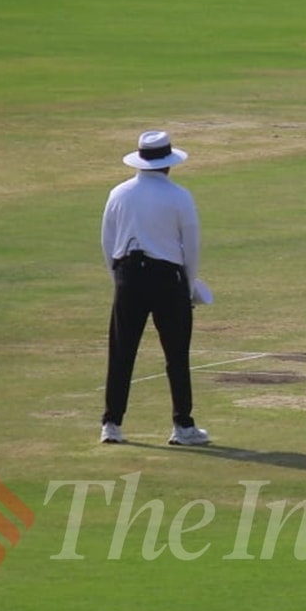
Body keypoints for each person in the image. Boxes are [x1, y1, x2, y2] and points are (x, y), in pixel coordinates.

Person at [99, 130, 211, 446]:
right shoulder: (179, 196)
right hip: (167, 279)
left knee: (121, 352)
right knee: (177, 354)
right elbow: (191, 247)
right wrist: (188, 287)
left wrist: (119, 280)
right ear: (168, 164)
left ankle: (111, 423)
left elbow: (108, 243)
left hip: (127, 275)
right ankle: (183, 426)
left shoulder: (118, 193)